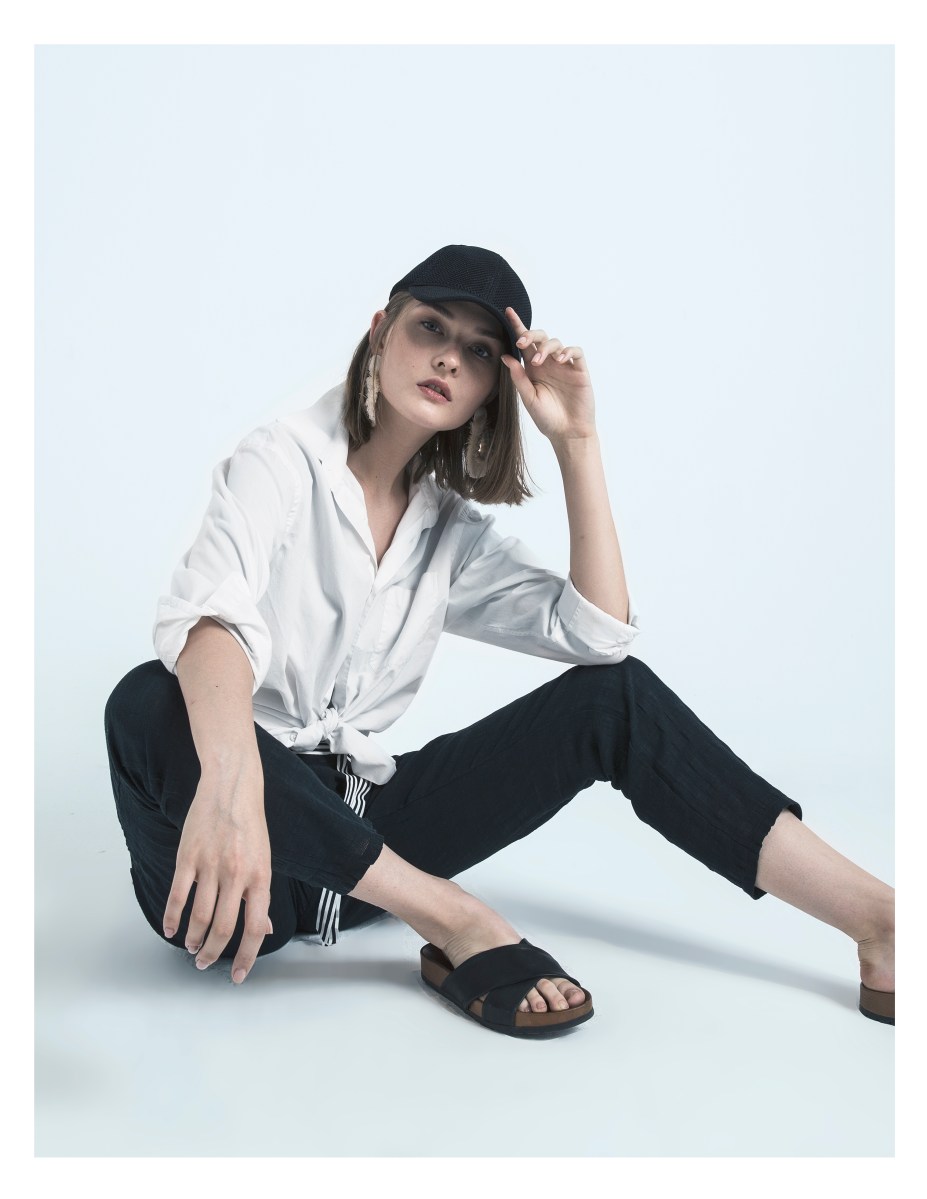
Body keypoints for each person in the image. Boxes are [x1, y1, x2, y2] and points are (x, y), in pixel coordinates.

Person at [104, 245, 895, 1037]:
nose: (449, 357)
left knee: (613, 699)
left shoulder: (445, 529)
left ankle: (880, 922)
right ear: (380, 331)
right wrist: (232, 787)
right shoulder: (280, 461)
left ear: (492, 386)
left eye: (479, 350)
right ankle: (452, 916)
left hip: (368, 834)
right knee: (146, 698)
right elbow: (212, 617)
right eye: (429, 327)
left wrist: (576, 441)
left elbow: (598, 636)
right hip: (228, 865)